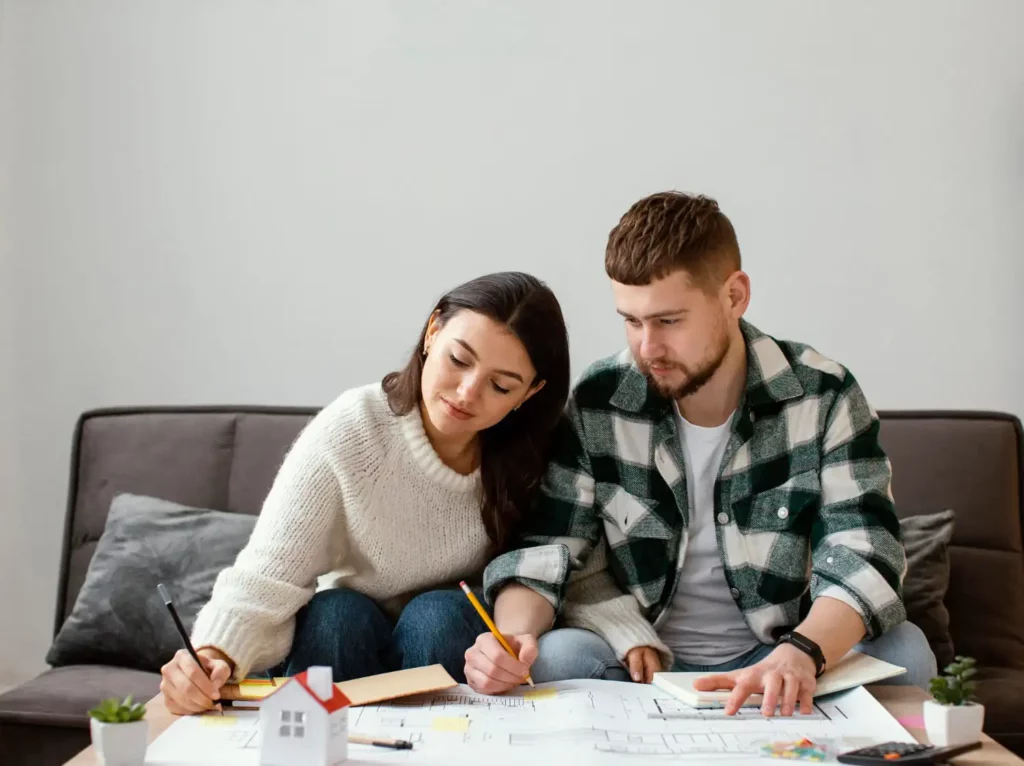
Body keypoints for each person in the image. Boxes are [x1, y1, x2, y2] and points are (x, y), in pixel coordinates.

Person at [466, 192, 936, 717]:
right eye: (631, 320)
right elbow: (550, 548)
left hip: (782, 650)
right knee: (554, 656)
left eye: (668, 321)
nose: (647, 348)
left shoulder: (823, 394)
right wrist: (508, 642)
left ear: (734, 296)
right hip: (644, 661)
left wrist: (802, 652)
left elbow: (865, 549)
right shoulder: (601, 398)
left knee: (906, 652)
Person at [159, 271, 571, 715]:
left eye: (501, 385)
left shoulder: (536, 455)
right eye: (459, 359)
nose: (467, 392)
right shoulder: (354, 428)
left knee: (436, 614)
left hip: (453, 634)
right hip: (346, 632)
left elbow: (567, 560)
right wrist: (214, 656)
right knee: (335, 612)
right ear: (433, 331)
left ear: (530, 392)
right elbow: (269, 571)